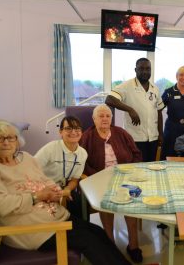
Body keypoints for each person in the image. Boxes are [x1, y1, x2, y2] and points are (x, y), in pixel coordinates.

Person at [0, 120, 131, 265]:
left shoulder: (26, 158)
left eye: (10, 137)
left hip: (55, 217)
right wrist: (38, 196)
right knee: (89, 240)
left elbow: (44, 179)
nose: (6, 142)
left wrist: (55, 190)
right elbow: (0, 205)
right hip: (34, 231)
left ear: (17, 140)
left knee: (97, 232)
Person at [79, 104, 143, 262]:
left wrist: (130, 169)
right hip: (99, 178)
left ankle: (133, 245)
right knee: (105, 204)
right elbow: (81, 161)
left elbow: (136, 153)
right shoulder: (87, 136)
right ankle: (110, 244)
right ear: (93, 119)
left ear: (112, 118)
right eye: (100, 116)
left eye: (107, 116)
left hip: (125, 177)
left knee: (131, 204)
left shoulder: (121, 133)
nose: (105, 118)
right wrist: (97, 176)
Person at [105, 57, 164, 162]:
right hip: (135, 139)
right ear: (135, 70)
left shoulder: (155, 89)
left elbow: (159, 112)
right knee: (136, 170)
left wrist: (160, 134)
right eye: (141, 68)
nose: (145, 71)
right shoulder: (127, 85)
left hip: (153, 138)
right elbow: (109, 99)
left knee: (151, 168)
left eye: (148, 69)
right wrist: (130, 109)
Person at [35, 116, 87, 217]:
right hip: (44, 188)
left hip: (64, 188)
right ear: (61, 132)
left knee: (77, 203)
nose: (73, 132)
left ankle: (76, 230)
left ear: (81, 132)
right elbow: (32, 169)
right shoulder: (51, 148)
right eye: (68, 128)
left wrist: (67, 189)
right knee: (49, 214)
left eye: (77, 129)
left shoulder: (83, 153)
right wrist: (46, 190)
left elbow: (75, 179)